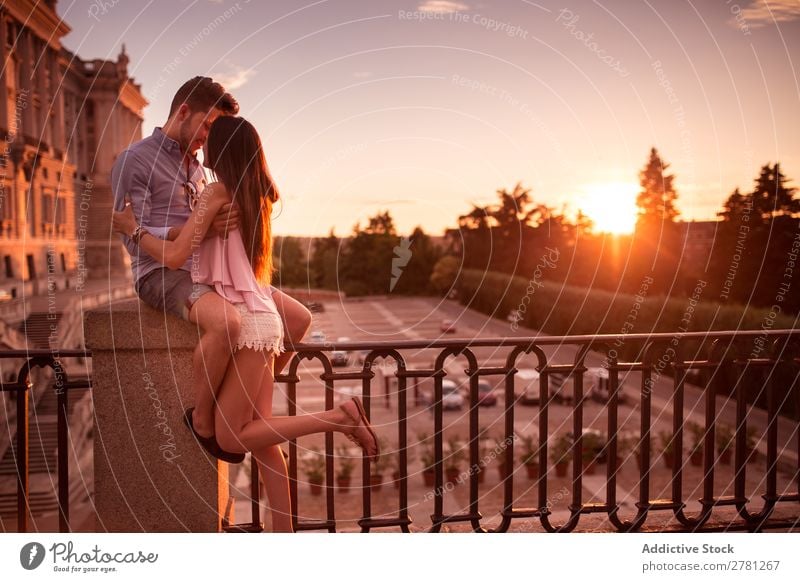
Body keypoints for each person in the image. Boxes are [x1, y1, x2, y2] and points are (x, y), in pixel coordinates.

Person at [112, 115, 379, 532]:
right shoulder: (257, 194)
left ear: (222, 150)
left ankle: (341, 417)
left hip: (251, 327)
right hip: (264, 319)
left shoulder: (217, 191)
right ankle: (284, 538)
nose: (202, 147)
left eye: (209, 141)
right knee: (264, 439)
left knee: (232, 437)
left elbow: (177, 256)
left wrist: (134, 228)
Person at [111, 77, 312, 463]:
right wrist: (190, 230)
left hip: (205, 270)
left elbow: (203, 232)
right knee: (228, 324)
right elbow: (126, 229)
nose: (209, 136)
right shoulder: (134, 160)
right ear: (184, 112)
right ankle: (205, 423)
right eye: (207, 125)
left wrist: (211, 227)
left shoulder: (201, 171)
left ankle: (244, 390)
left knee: (297, 319)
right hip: (161, 273)